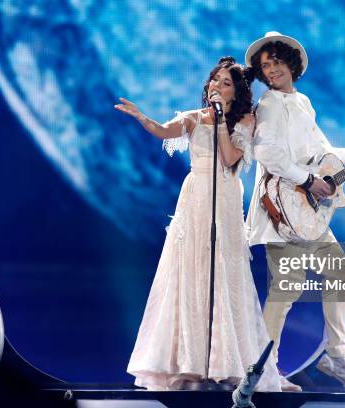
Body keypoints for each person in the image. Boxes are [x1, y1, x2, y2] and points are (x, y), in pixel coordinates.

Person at [115, 57, 283, 392]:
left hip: (225, 198)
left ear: (236, 92)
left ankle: (227, 362)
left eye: (225, 83)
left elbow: (230, 158)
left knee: (224, 272)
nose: (216, 87)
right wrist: (140, 117)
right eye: (214, 80)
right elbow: (164, 130)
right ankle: (190, 362)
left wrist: (221, 120)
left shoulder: (245, 119)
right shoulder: (194, 118)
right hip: (195, 198)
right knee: (192, 271)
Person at [244, 32, 345, 393]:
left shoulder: (302, 103)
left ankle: (336, 356)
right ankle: (263, 370)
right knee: (286, 289)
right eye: (265, 66)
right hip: (281, 211)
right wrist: (308, 180)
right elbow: (268, 154)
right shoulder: (268, 104)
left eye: (276, 61)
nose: (271, 69)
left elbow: (325, 152)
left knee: (340, 273)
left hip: (306, 213)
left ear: (290, 63)